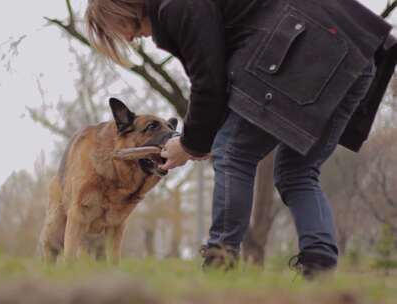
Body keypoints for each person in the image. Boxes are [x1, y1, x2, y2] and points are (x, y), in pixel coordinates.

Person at [85, 0, 397, 278]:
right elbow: (224, 77)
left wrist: (191, 144)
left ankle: (220, 260)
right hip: (356, 57)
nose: (127, 38)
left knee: (233, 154)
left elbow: (209, 81)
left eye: (118, 28)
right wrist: (202, 137)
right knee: (297, 173)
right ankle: (319, 269)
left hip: (309, 46)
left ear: (124, 7)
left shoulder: (176, 7)